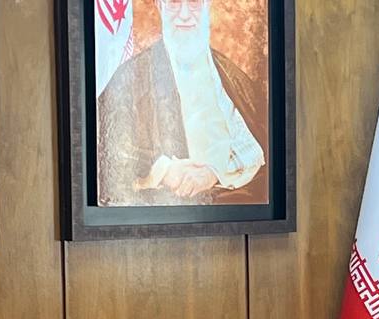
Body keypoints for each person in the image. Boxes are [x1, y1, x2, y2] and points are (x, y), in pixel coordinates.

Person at [96, 0, 267, 206]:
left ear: (207, 6)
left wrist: (214, 173)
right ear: (160, 6)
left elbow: (257, 150)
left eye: (194, 3)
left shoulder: (232, 78)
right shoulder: (129, 78)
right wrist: (163, 170)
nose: (184, 15)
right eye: (175, 3)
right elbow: (107, 155)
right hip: (161, 213)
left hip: (233, 208)